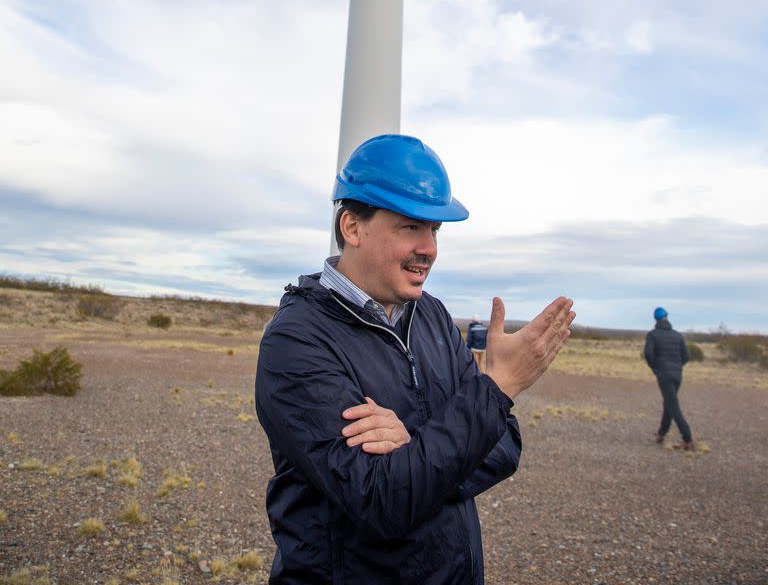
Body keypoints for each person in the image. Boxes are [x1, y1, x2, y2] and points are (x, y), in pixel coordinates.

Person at [256, 133, 575, 584]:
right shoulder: (298, 341)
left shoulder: (432, 316)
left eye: (435, 229)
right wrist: (497, 389)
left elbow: (503, 448)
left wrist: (414, 446)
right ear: (352, 227)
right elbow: (381, 502)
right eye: (410, 226)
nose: (429, 248)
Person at [643, 306, 695, 451]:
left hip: (664, 374)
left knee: (672, 405)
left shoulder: (653, 335)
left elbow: (648, 354)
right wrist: (677, 366)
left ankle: (688, 438)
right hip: (677, 374)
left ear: (656, 319)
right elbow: (686, 356)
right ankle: (661, 433)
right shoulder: (678, 335)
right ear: (667, 317)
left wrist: (655, 367)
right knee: (669, 402)